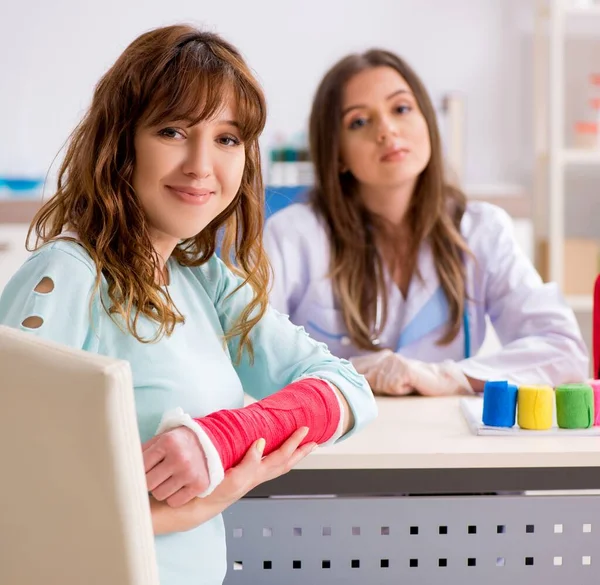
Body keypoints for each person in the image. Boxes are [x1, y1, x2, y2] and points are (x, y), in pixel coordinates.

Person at [0, 26, 377, 585]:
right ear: (121, 141)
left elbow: (347, 389)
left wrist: (218, 439)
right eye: (173, 131)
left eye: (227, 139)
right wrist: (198, 506)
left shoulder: (202, 277)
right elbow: (16, 502)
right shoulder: (67, 275)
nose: (202, 166)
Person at [263, 49, 588, 396]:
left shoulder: (481, 230)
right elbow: (251, 356)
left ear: (428, 122)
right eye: (359, 121)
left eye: (401, 109)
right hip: (333, 443)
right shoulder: (293, 235)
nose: (387, 130)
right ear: (337, 153)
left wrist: (447, 376)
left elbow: (563, 350)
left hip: (442, 443)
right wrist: (346, 374)